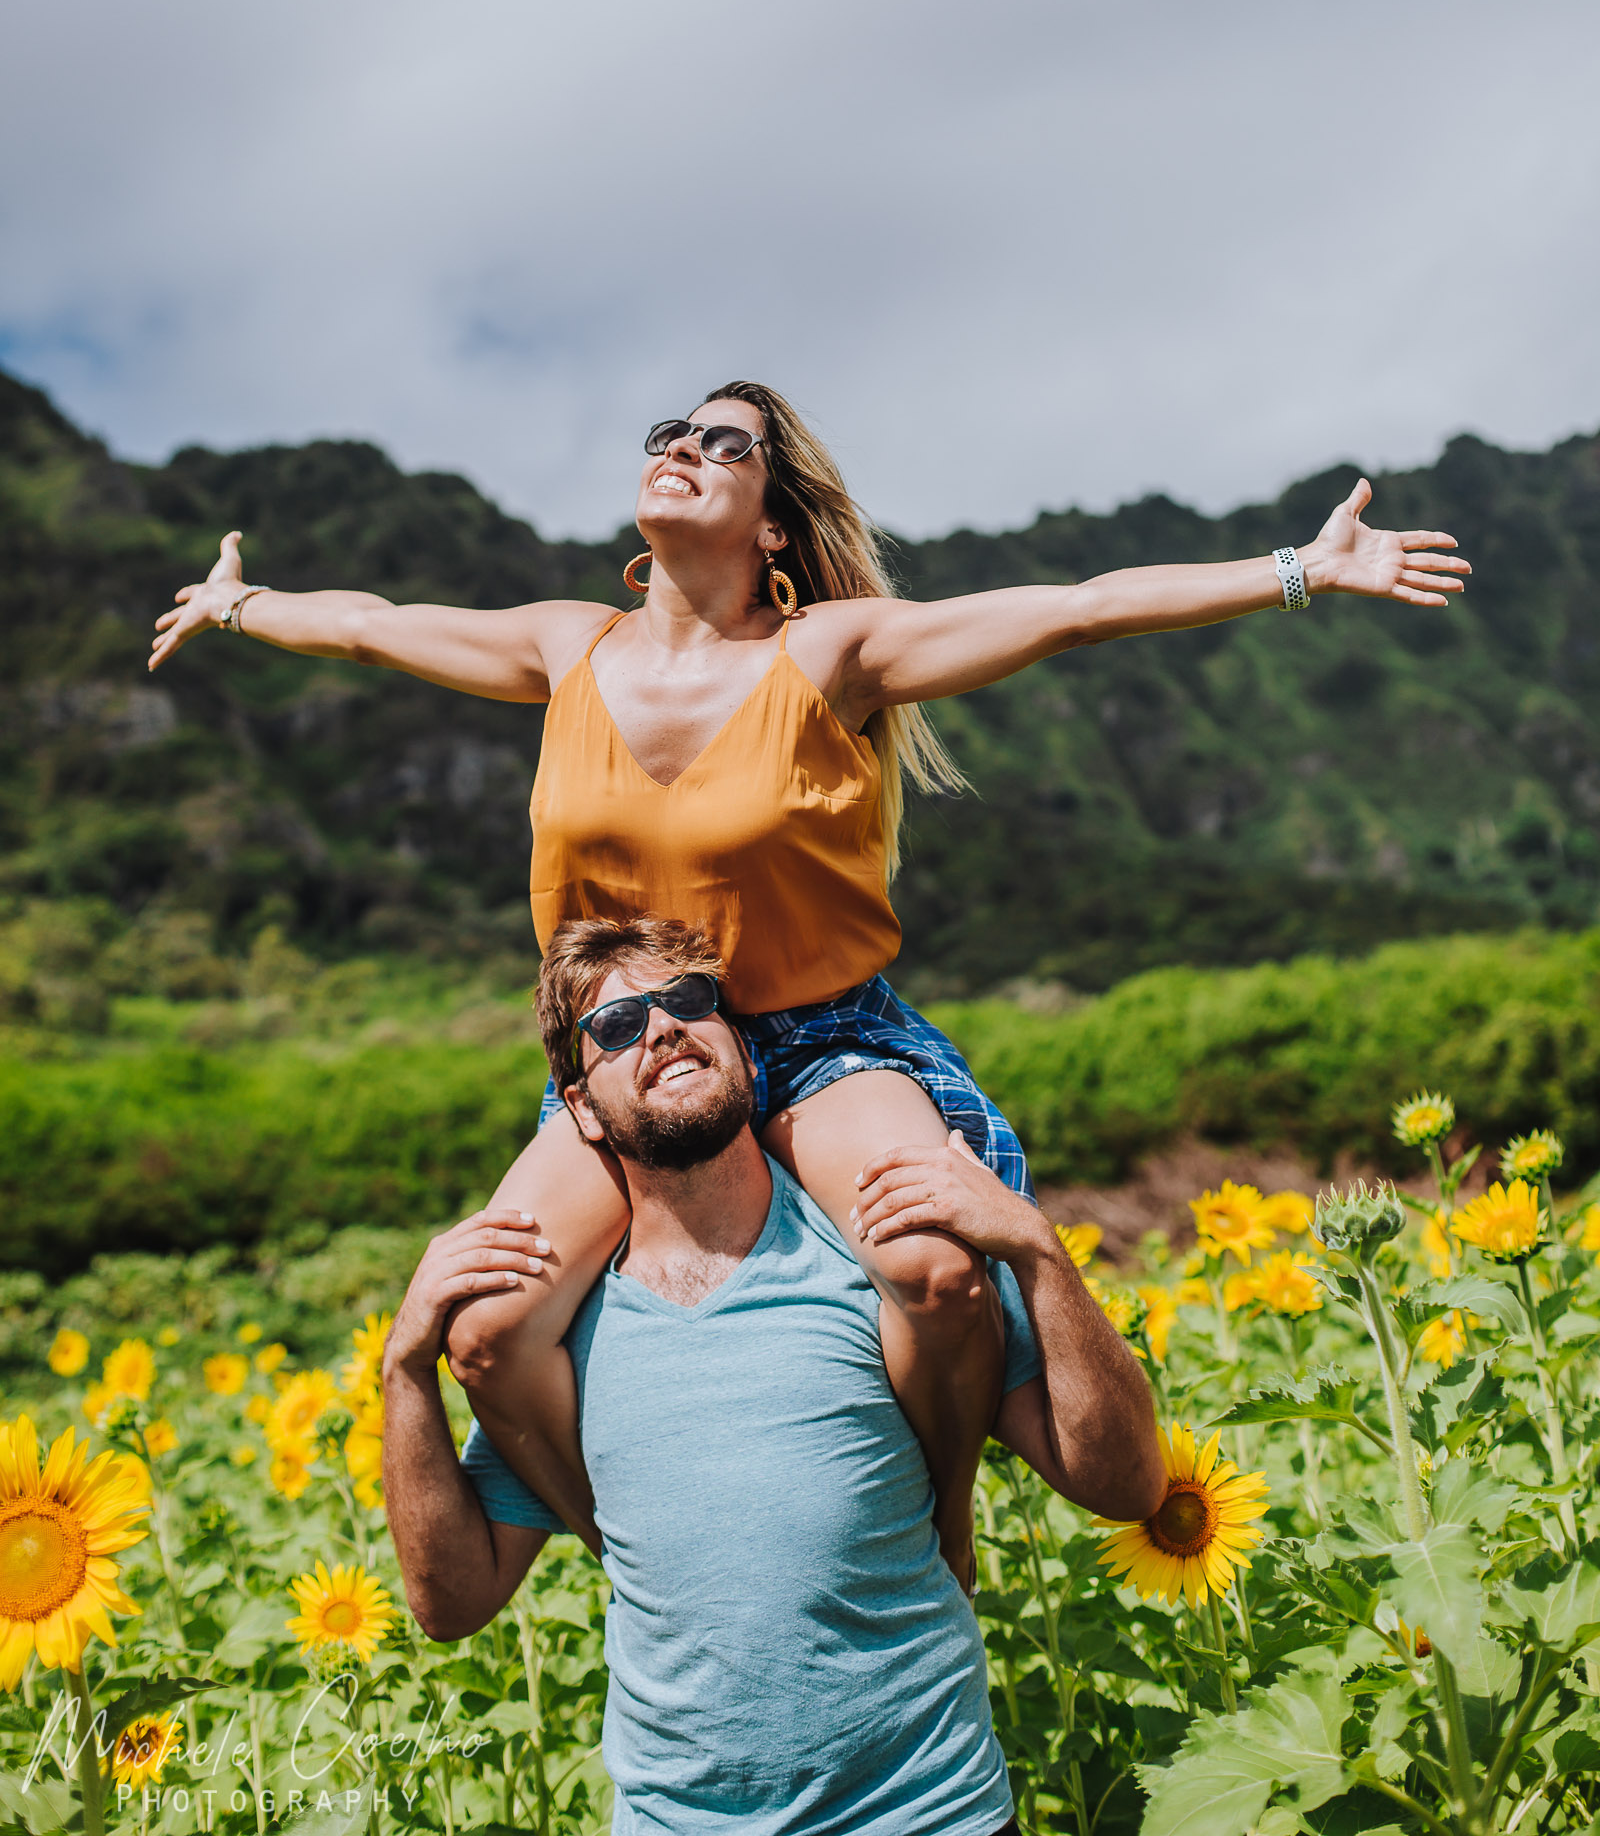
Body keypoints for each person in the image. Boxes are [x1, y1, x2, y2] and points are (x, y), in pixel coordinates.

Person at [149, 381, 1469, 1569]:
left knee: (935, 1267)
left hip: (820, 1039)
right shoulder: (567, 647)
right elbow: (377, 628)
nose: (682, 447)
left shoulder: (825, 655)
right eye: (670, 430)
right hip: (633, 1053)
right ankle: (637, 1562)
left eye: (727, 443)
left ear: (772, 522)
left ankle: (939, 1519)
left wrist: (1302, 567)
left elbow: (1078, 613)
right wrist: (239, 605)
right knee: (486, 1330)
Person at [382, 915, 1166, 1836]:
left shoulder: (885, 1261)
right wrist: (405, 1369)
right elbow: (452, 1603)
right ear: (579, 1109)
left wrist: (1037, 1249)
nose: (665, 1027)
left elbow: (1128, 1484)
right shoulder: (562, 1336)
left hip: (929, 1813)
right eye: (619, 1026)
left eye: (687, 1001)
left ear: (746, 1051)